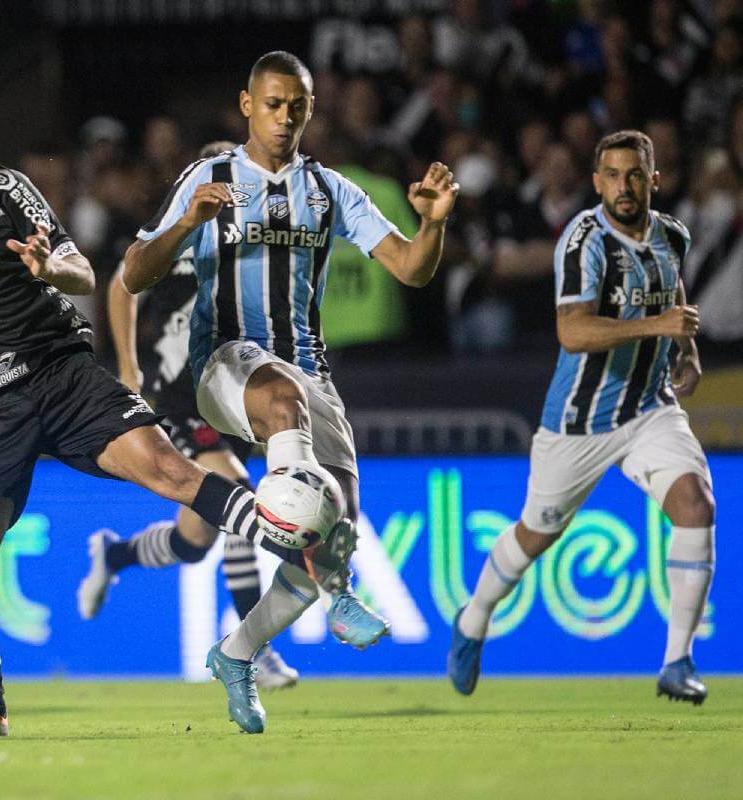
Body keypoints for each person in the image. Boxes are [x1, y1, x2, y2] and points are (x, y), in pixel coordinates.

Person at [0, 90, 357, 738]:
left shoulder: (4, 188)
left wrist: (49, 268)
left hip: (60, 376)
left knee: (167, 469)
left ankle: (293, 539)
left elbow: (81, 271)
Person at [123, 52, 458, 732]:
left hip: (311, 375)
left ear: (310, 111)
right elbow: (133, 273)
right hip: (224, 365)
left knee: (330, 535)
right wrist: (186, 222)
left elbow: (410, 270)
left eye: (296, 107)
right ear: (247, 106)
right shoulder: (210, 177)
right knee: (280, 399)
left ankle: (237, 652)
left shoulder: (329, 190)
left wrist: (436, 223)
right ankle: (332, 584)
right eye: (272, 104)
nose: (284, 117)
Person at [447, 130, 715, 705]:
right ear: (597, 183)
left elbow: (674, 295)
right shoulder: (583, 241)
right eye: (613, 175)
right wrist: (658, 328)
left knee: (696, 505)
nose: (624, 186)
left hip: (649, 410)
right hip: (578, 423)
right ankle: (473, 619)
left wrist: (685, 352)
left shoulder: (672, 236)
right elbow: (572, 332)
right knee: (534, 536)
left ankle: (677, 661)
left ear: (653, 179)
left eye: (635, 174)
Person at [80, 142, 299, 691]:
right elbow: (121, 287)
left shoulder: (250, 248)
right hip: (177, 393)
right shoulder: (179, 234)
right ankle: (255, 651)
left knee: (197, 537)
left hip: (229, 394)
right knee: (237, 491)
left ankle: (117, 554)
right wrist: (129, 367)